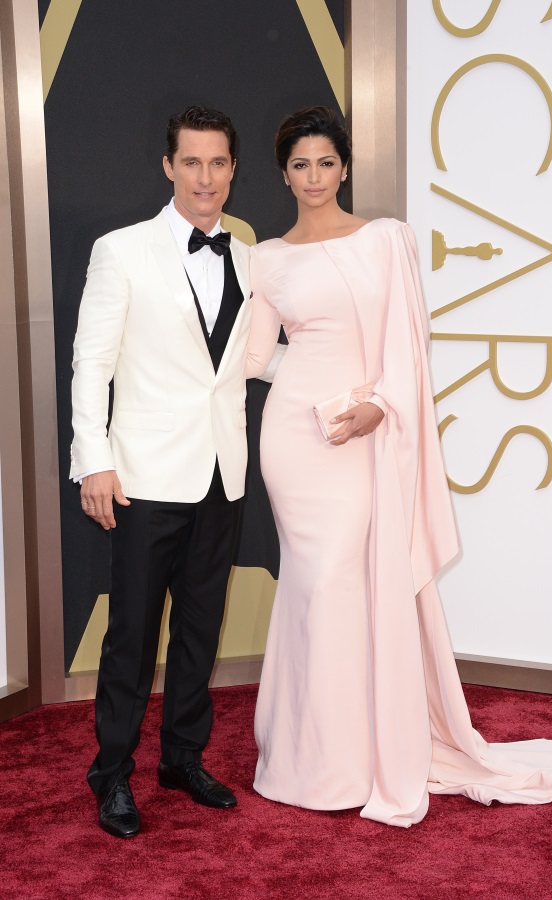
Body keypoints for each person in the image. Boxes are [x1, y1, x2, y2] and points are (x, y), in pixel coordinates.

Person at [246, 106, 552, 827]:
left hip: (367, 432)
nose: (314, 177)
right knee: (313, 588)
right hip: (297, 439)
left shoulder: (386, 238)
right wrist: (303, 382)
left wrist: (378, 403)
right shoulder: (268, 258)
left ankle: (358, 755)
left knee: (347, 582)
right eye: (300, 165)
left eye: (325, 162)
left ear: (345, 167)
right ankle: (308, 758)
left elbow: (412, 343)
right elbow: (255, 357)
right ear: (282, 174)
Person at [71, 106, 251, 838]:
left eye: (218, 163)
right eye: (192, 162)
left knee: (200, 631)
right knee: (132, 637)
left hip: (221, 474)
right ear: (169, 166)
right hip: (142, 477)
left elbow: (253, 358)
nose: (206, 177)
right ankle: (112, 774)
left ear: (233, 170)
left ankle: (182, 757)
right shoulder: (121, 250)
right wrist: (94, 460)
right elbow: (92, 362)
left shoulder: (249, 255)